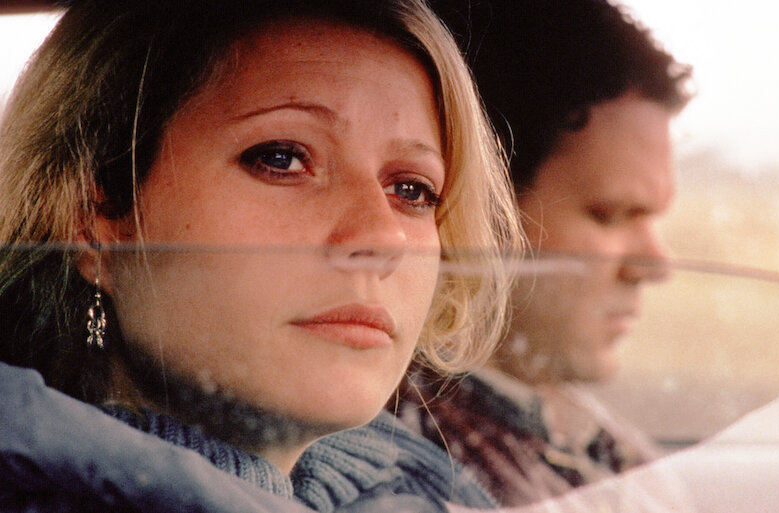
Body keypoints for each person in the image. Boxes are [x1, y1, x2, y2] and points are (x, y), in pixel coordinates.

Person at [0, 1, 523, 511]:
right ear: (94, 221)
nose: (384, 237)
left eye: (412, 190)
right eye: (282, 158)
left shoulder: (433, 490)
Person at [391, 0, 693, 506]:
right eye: (609, 214)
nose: (656, 264)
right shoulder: (412, 469)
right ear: (482, 211)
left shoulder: (613, 451)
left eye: (654, 216)